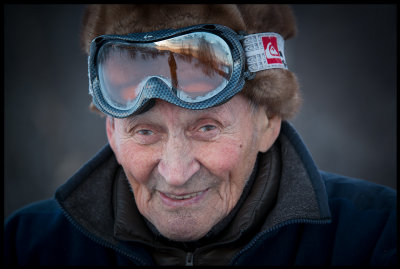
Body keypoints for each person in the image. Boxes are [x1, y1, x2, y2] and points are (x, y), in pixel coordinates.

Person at [4, 4, 396, 266]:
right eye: (145, 131)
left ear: (269, 121)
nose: (175, 172)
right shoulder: (28, 246)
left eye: (206, 128)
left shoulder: (374, 237)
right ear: (111, 130)